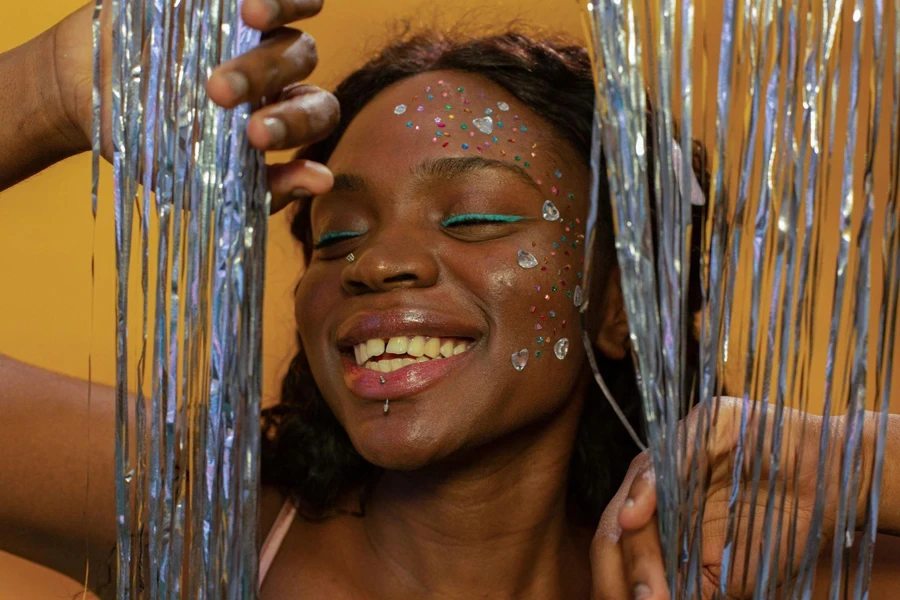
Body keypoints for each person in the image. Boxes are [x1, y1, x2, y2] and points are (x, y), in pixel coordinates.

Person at [1, 1, 898, 598]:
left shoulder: (719, 568)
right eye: (338, 233)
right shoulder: (201, 516)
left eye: (471, 217)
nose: (377, 264)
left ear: (622, 303)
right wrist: (44, 90)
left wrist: (861, 465)